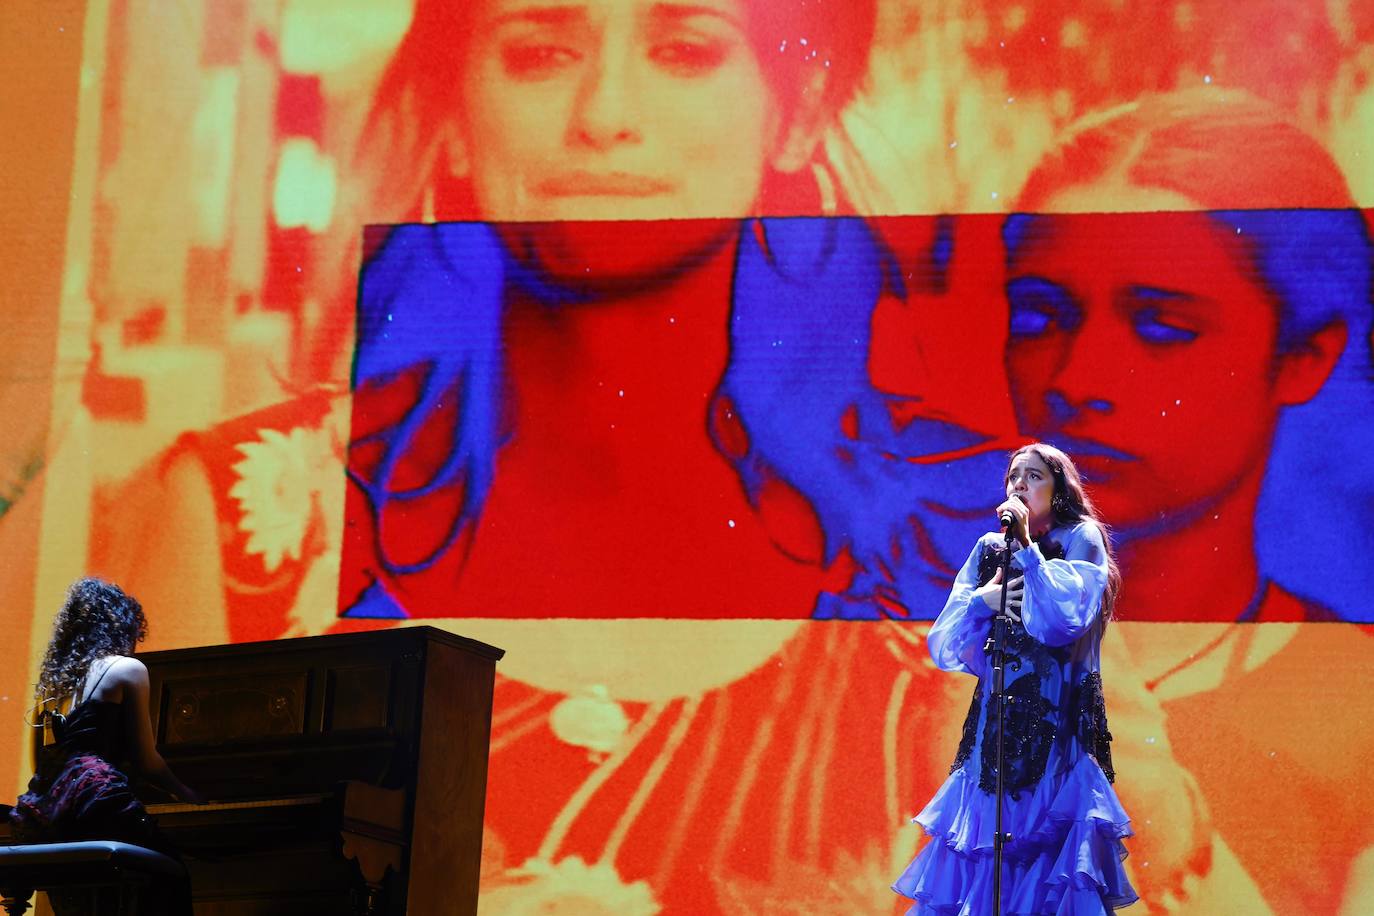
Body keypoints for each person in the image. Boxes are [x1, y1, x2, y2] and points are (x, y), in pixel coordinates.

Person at [997, 88, 1374, 913]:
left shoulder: (1359, 708)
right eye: (1039, 318)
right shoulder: (900, 663)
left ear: (1303, 357)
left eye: (1162, 326)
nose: (1076, 380)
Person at [892, 443, 1136, 913]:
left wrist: (1026, 550)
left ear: (1059, 488)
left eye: (1034, 476)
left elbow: (1060, 621)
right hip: (993, 739)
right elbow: (945, 644)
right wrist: (984, 601)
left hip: (1055, 740)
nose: (1019, 485)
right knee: (986, 863)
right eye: (1013, 477)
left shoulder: (1080, 538)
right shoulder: (990, 548)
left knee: (1047, 867)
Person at [8, 577, 200, 916]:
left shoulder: (53, 684)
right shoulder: (126, 669)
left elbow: (41, 763)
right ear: (121, 626)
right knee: (175, 868)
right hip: (98, 802)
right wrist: (186, 792)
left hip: (51, 811)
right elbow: (147, 761)